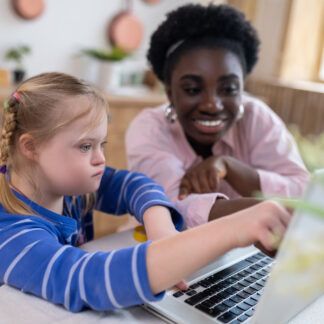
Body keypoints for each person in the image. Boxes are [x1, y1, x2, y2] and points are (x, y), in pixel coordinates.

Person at [0, 72, 291, 313]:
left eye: (102, 144)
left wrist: (161, 229)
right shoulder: (11, 234)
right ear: (31, 148)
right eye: (85, 146)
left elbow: (134, 185)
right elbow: (87, 279)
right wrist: (232, 229)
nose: (101, 159)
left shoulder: (67, 184)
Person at [126, 3, 309, 228]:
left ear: (242, 88)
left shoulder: (256, 117)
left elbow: (303, 190)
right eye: (193, 89)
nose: (212, 105)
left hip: (245, 252)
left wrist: (232, 168)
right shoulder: (149, 129)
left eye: (229, 89)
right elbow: (170, 208)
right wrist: (266, 213)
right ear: (170, 92)